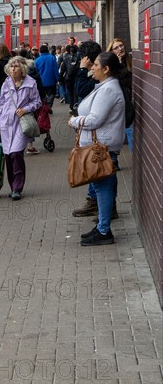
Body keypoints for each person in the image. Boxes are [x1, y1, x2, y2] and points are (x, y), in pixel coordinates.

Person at [68, 52, 125, 245]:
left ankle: (104, 231)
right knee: (100, 187)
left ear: (106, 69)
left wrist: (74, 121)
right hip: (99, 147)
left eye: (95, 65)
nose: (92, 68)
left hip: (102, 148)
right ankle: (102, 226)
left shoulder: (108, 90)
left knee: (103, 188)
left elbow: (95, 119)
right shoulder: (104, 86)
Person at [0, 57, 42, 200]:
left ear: (23, 69)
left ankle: (18, 188)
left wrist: (26, 109)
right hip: (6, 123)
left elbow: (37, 101)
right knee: (8, 156)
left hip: (21, 123)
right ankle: (13, 186)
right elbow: (0, 106)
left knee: (16, 154)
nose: (13, 69)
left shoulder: (31, 83)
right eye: (11, 66)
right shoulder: (6, 84)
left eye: (16, 66)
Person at [107, 37, 133, 152]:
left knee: (130, 130)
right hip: (117, 103)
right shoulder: (111, 66)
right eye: (116, 48)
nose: (120, 49)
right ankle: (113, 159)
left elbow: (130, 82)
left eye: (121, 45)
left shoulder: (129, 60)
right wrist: (118, 64)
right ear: (111, 51)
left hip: (129, 101)